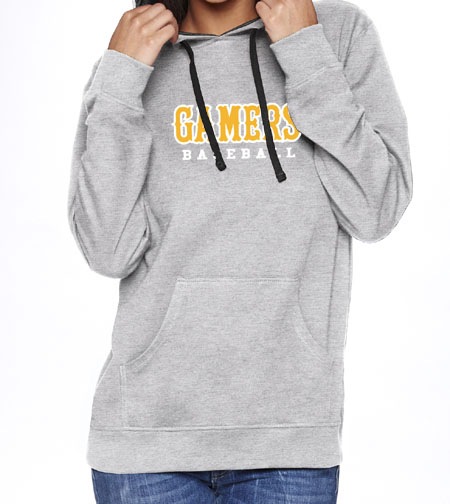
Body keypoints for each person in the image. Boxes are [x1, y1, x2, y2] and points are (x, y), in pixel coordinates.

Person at [67, 0, 413, 501]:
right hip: (146, 442)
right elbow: (106, 250)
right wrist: (120, 81)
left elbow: (377, 210)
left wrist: (305, 54)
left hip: (290, 438)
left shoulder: (336, 35)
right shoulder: (132, 58)